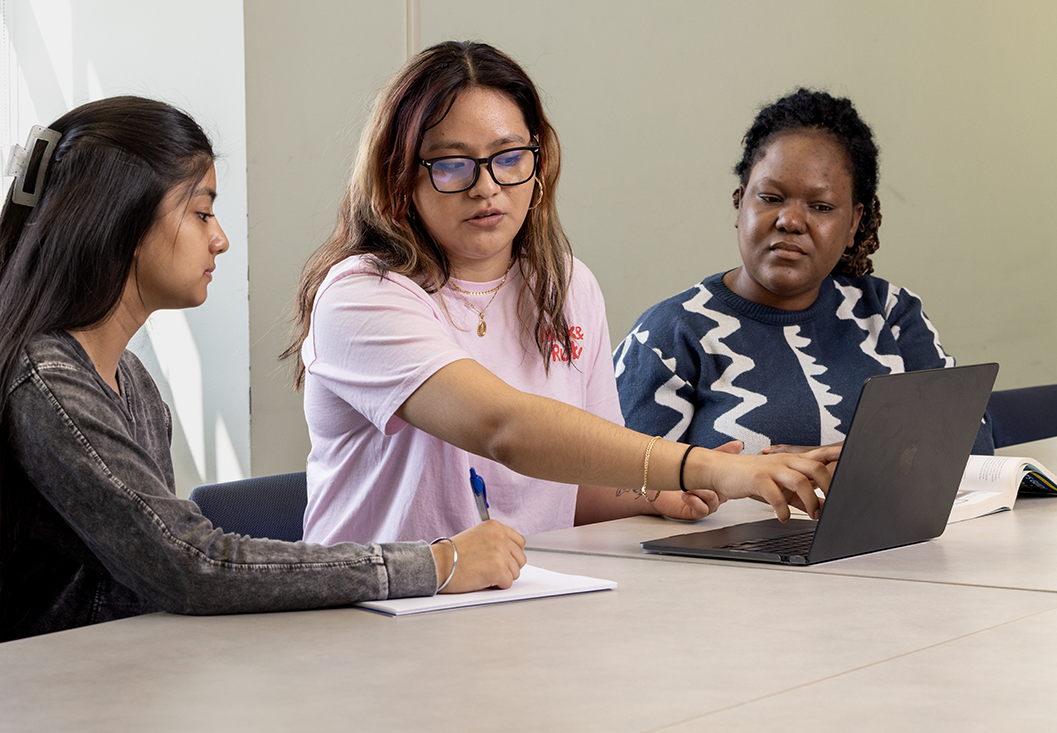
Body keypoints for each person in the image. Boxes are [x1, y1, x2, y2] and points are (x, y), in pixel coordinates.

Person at [0, 96, 526, 662]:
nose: (220, 240)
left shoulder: (129, 381)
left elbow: (159, 574)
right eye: (202, 212)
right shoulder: (47, 385)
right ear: (119, 220)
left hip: (106, 681)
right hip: (17, 701)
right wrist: (436, 563)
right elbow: (192, 565)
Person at [284, 41, 833, 547]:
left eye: (508, 157)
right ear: (400, 174)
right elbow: (505, 429)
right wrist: (703, 465)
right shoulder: (361, 295)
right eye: (452, 164)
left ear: (538, 162)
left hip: (523, 599)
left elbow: (572, 484)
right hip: (378, 612)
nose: (487, 186)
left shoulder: (567, 285)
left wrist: (660, 489)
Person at [614, 88, 994, 455]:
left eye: (822, 206)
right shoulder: (669, 336)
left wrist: (845, 467)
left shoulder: (890, 314)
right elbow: (613, 488)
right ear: (739, 201)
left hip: (877, 523)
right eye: (770, 198)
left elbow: (970, 450)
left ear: (853, 224)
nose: (791, 220)